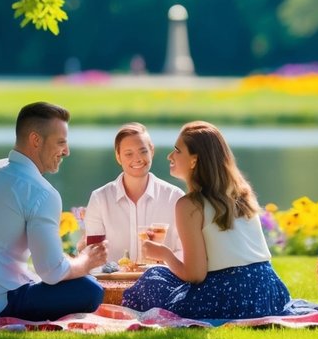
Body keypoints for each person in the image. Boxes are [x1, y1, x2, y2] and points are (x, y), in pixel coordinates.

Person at [0, 101, 107, 319]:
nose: (67, 151)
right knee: (90, 290)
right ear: (35, 140)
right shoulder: (42, 192)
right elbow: (52, 272)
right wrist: (87, 261)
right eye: (61, 143)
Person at [122, 120, 290, 319]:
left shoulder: (189, 205)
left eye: (177, 150)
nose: (170, 156)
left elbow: (195, 275)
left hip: (231, 296)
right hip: (269, 292)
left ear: (194, 160)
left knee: (152, 279)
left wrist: (164, 253)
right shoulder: (242, 193)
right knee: (163, 278)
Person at [81, 122, 184, 263]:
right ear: (118, 157)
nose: (137, 159)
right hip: (111, 281)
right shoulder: (100, 198)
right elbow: (94, 255)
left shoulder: (175, 197)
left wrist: (164, 263)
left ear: (152, 151)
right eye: (128, 154)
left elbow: (184, 251)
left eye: (143, 151)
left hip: (163, 280)